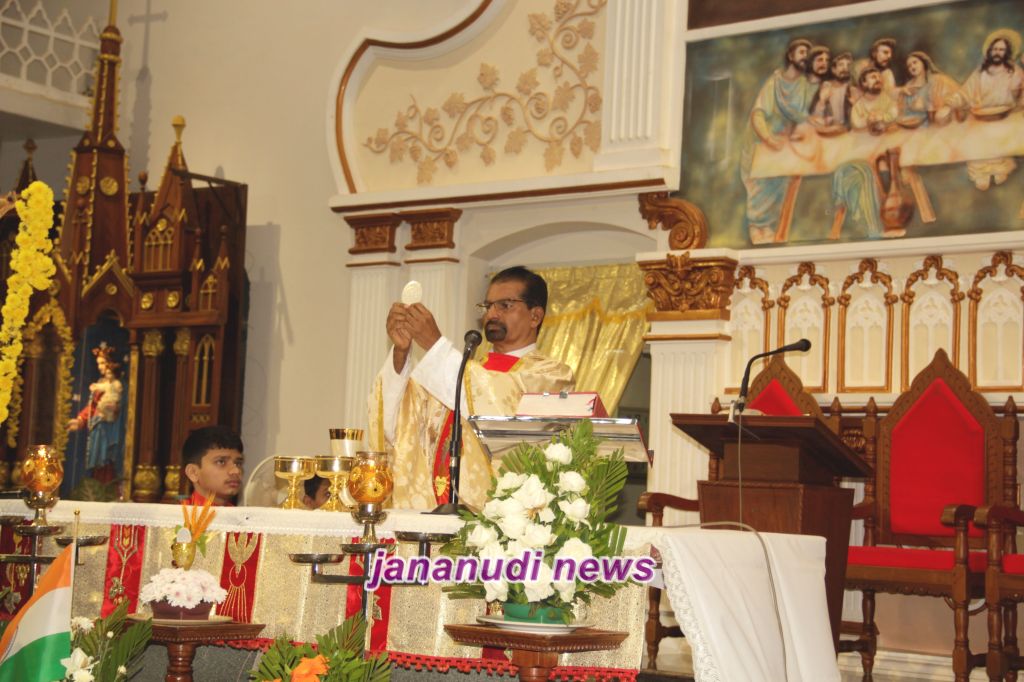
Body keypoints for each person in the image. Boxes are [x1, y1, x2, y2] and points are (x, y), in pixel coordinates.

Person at [369, 266, 574, 510]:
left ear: (535, 316)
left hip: (499, 518)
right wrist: (401, 353)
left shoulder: (552, 376)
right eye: (488, 306)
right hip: (436, 511)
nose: (492, 314)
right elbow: (401, 422)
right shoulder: (460, 372)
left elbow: (496, 402)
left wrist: (434, 344)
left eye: (505, 305)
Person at [739, 37, 816, 244]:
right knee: (762, 184)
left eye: (808, 54)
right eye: (801, 52)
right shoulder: (775, 83)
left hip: (786, 145)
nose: (805, 57)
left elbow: (804, 115)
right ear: (790, 56)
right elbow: (758, 114)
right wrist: (768, 138)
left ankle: (770, 227)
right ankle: (757, 225)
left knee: (782, 184)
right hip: (763, 142)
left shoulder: (804, 85)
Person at [943, 30, 1024, 190]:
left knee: (1001, 140)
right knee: (976, 143)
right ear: (989, 51)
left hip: (1004, 117)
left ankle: (1000, 169)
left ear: (1007, 52)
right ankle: (981, 173)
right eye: (995, 49)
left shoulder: (1015, 72)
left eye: (1001, 49)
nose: (997, 52)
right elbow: (965, 93)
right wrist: (951, 102)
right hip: (980, 117)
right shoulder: (980, 72)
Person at [68, 344, 123, 483]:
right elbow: (92, 407)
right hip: (97, 425)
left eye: (103, 363)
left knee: (107, 459)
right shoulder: (101, 383)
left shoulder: (118, 384)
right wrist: (80, 420)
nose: (100, 367)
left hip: (109, 428)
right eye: (99, 363)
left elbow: (121, 407)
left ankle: (107, 486)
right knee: (97, 461)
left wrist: (115, 408)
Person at [182, 425, 245, 506]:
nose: (236, 471)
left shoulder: (242, 513)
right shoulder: (179, 513)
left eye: (238, 463)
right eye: (221, 462)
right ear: (193, 473)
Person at [898, 51, 958, 126]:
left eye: (915, 62)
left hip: (931, 125)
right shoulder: (908, 85)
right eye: (909, 66)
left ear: (923, 63)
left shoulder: (938, 80)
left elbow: (956, 96)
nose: (912, 67)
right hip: (909, 125)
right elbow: (902, 109)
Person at [850, 59, 898, 133]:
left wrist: (882, 117)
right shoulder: (858, 105)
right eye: (873, 77)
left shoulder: (886, 98)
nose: (878, 80)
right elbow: (856, 123)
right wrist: (868, 119)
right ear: (864, 83)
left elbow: (894, 113)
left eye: (879, 77)